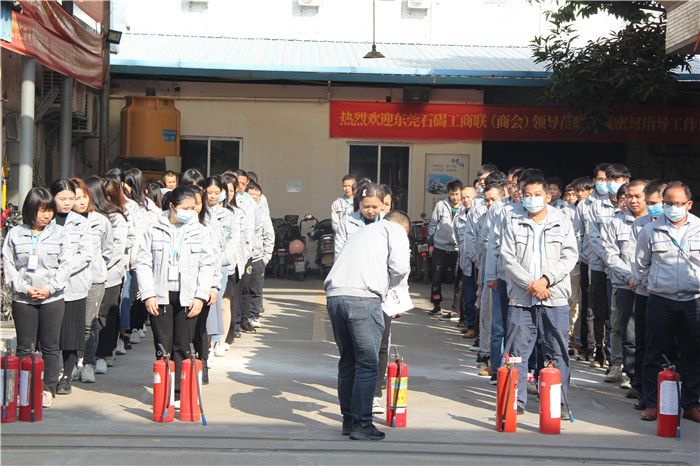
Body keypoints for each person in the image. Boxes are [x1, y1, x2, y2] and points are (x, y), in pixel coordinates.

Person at [324, 211, 411, 441]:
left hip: (335, 296)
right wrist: (392, 291)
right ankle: (363, 422)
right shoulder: (395, 230)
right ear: (404, 228)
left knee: (348, 361)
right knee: (367, 362)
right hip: (362, 299)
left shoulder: (363, 231)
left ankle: (349, 419)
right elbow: (401, 268)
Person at [501, 177, 578, 413]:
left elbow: (570, 256)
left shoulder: (562, 221)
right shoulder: (513, 222)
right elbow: (507, 258)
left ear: (547, 197)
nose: (531, 199)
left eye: (536, 194)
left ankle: (557, 403)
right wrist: (531, 284)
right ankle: (517, 402)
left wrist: (545, 281)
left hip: (554, 298)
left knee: (557, 352)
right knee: (517, 354)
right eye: (527, 194)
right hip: (521, 298)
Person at [136, 186, 215, 404]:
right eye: (185, 208)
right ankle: (163, 388)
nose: (190, 212)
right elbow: (143, 262)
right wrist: (148, 294)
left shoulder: (201, 231)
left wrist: (200, 296)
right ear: (172, 206)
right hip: (160, 296)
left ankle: (178, 393)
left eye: (193, 208)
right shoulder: (153, 229)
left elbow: (207, 265)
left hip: (188, 297)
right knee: (163, 345)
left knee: (183, 344)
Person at [635, 181, 700, 423]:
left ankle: (691, 404)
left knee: (692, 353)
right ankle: (652, 403)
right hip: (661, 300)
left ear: (689, 204)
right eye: (669, 203)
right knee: (654, 353)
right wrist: (652, 285)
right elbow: (641, 265)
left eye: (678, 204)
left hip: (693, 301)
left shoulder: (699, 228)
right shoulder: (651, 231)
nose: (673, 208)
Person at [3, 187, 70, 407]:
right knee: (25, 346)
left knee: (50, 345)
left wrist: (50, 288)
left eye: (49, 210)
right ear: (30, 210)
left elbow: (66, 265)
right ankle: (24, 387)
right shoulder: (15, 233)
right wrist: (23, 288)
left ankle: (48, 388)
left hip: (52, 298)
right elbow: (9, 265)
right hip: (24, 299)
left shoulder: (60, 234)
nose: (46, 215)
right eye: (41, 210)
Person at [602, 179, 647, 392]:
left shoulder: (655, 222)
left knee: (650, 333)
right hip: (625, 285)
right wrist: (629, 277)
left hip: (652, 288)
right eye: (629, 196)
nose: (632, 200)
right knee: (629, 333)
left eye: (638, 196)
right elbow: (610, 254)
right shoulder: (615, 222)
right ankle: (631, 375)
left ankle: (649, 376)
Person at [70, 177, 114, 383]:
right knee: (71, 323)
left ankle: (88, 363)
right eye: (76, 197)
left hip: (94, 279)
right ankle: (72, 362)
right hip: (69, 280)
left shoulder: (100, 221)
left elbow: (108, 250)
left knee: (89, 322)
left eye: (84, 196)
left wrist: (97, 266)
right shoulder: (62, 222)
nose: (81, 201)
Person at [50, 180, 91, 395]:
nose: (68, 203)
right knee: (51, 335)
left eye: (71, 199)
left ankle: (66, 376)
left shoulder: (81, 223)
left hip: (74, 285)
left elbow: (85, 254)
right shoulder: (45, 220)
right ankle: (51, 374)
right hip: (48, 287)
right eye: (63, 199)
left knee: (71, 335)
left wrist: (63, 271)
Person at [588, 163, 630, 369]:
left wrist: (614, 261)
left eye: (616, 179)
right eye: (608, 180)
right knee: (600, 309)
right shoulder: (596, 206)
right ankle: (600, 351)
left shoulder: (632, 207)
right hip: (599, 265)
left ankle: (619, 358)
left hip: (623, 272)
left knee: (620, 316)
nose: (611, 184)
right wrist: (606, 258)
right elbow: (594, 237)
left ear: (626, 181)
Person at [84, 176, 126, 376]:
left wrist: (101, 266)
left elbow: (115, 249)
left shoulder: (115, 217)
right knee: (88, 319)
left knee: (104, 316)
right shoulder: (81, 219)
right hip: (86, 277)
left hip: (110, 275)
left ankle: (103, 354)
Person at [630, 180, 665, 410]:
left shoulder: (693, 227)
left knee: (673, 346)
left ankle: (678, 393)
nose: (653, 207)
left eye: (658, 203)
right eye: (650, 203)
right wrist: (644, 282)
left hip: (672, 295)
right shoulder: (641, 225)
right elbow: (638, 260)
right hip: (645, 292)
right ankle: (645, 391)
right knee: (643, 343)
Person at [427, 179, 463, 317]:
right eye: (452, 194)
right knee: (436, 278)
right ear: (448, 193)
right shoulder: (441, 205)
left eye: (457, 194)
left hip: (457, 249)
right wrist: (431, 243)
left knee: (459, 279)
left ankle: (456, 308)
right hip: (440, 247)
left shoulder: (464, 207)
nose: (455, 197)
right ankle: (436, 305)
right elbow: (433, 224)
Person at [244, 181, 274, 328]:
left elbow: (269, 236)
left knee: (256, 289)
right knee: (244, 290)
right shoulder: (241, 212)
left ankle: (254, 316)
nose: (254, 198)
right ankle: (244, 317)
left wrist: (266, 257)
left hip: (257, 258)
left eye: (257, 196)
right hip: (243, 258)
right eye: (251, 195)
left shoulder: (263, 215)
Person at [334, 182, 384, 258]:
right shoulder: (346, 222)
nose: (370, 211)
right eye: (366, 206)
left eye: (375, 207)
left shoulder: (389, 222)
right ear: (359, 203)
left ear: (382, 204)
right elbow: (339, 253)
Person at [454, 185, 478, 331]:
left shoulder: (481, 214)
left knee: (480, 299)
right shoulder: (459, 216)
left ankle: (478, 330)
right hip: (467, 264)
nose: (465, 200)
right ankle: (470, 326)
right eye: (463, 197)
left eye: (469, 197)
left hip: (480, 264)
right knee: (468, 298)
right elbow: (458, 239)